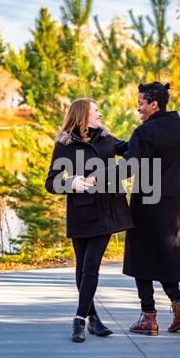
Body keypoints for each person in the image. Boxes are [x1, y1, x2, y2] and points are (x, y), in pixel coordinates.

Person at [87, 81, 180, 335]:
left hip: (149, 204)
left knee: (140, 257)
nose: (139, 109)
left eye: (141, 104)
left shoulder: (146, 132)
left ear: (154, 104)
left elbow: (128, 166)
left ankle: (149, 316)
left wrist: (98, 177)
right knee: (160, 256)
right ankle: (179, 307)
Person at [45, 98, 134, 342]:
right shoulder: (64, 143)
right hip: (81, 212)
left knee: (91, 265)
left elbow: (134, 157)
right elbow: (51, 182)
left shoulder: (107, 139)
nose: (100, 113)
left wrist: (153, 134)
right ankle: (94, 318)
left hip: (108, 211)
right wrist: (71, 183)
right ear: (83, 115)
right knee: (82, 266)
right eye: (96, 110)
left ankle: (79, 319)